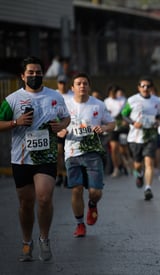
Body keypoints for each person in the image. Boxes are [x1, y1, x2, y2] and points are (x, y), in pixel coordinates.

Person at [0, 56, 70, 262]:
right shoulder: (12, 99)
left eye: (38, 72)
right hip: (21, 158)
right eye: (30, 72)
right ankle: (26, 241)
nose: (34, 75)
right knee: (26, 203)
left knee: (44, 197)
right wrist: (16, 122)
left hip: (46, 157)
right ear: (23, 76)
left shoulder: (54, 96)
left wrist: (62, 125)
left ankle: (44, 238)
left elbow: (66, 117)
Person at [63, 73, 115, 238]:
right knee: (76, 190)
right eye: (78, 83)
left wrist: (104, 129)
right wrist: (59, 130)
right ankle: (79, 225)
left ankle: (92, 204)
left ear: (89, 86)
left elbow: (112, 123)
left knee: (95, 192)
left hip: (92, 152)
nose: (82, 86)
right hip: (72, 152)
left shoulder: (98, 105)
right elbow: (54, 122)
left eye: (85, 83)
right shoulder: (65, 104)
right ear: (72, 88)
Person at [121, 77, 160, 200]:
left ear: (151, 88)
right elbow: (124, 114)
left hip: (150, 135)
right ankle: (139, 174)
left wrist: (157, 122)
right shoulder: (132, 100)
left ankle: (148, 188)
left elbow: (158, 114)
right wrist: (133, 123)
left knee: (149, 162)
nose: (145, 88)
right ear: (139, 87)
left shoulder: (156, 101)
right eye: (143, 86)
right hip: (135, 137)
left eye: (148, 86)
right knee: (138, 164)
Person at [104, 84, 127, 177]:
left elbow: (126, 112)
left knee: (122, 149)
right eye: (112, 92)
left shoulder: (123, 100)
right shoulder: (106, 101)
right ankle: (116, 168)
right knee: (114, 148)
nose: (113, 94)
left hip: (122, 127)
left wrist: (125, 120)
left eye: (115, 92)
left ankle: (123, 165)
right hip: (112, 127)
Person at [55, 74, 73, 187]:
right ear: (58, 84)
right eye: (60, 83)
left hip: (70, 129)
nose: (62, 85)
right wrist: (58, 127)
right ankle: (60, 174)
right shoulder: (54, 94)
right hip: (58, 128)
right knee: (58, 152)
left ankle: (68, 176)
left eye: (64, 83)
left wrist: (67, 127)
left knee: (68, 154)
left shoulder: (72, 95)